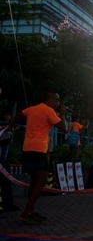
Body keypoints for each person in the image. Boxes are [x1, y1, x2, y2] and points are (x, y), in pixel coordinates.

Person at [8, 92, 67, 225]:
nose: (59, 103)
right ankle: (26, 211)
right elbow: (63, 128)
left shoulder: (33, 109)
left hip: (27, 148)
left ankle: (31, 211)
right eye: (58, 101)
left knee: (35, 180)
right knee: (41, 179)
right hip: (38, 150)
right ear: (51, 100)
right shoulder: (49, 111)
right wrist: (62, 114)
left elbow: (17, 116)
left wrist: (10, 127)